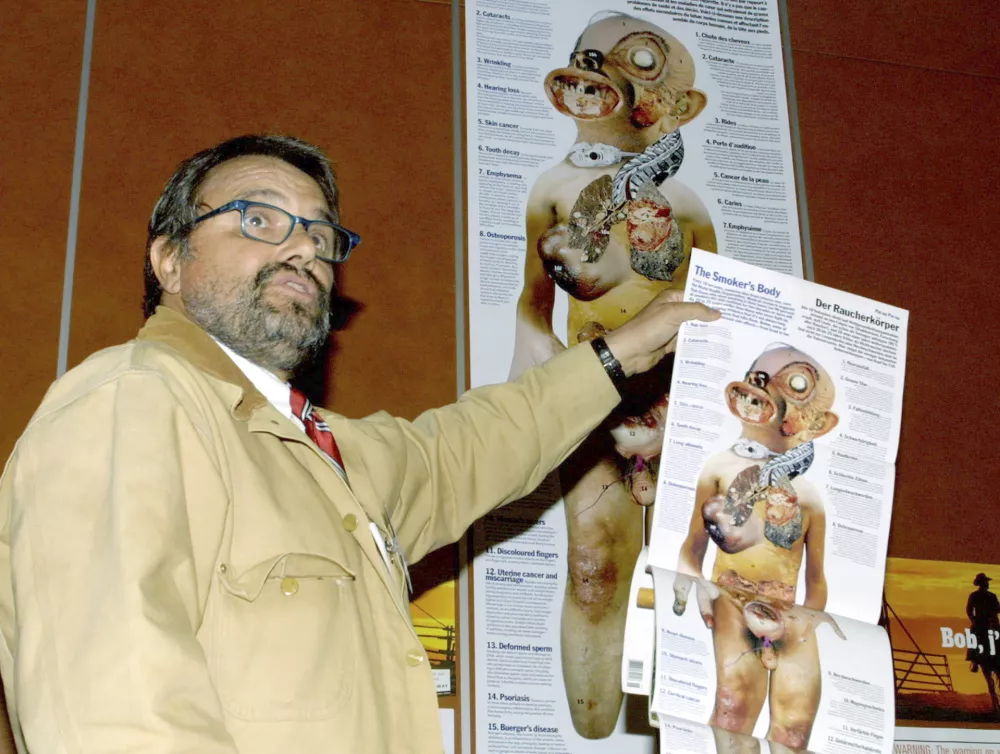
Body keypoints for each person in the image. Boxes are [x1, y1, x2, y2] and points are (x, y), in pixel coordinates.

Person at [0, 134, 719, 754]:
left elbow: (471, 446)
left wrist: (619, 353)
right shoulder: (133, 400)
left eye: (320, 235)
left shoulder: (321, 453)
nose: (303, 248)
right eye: (259, 219)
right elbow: (112, 708)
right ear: (169, 262)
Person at [507, 11, 717, 738]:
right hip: (593, 391)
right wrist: (530, 403)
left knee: (697, 576)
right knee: (594, 564)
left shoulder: (686, 206)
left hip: (679, 398)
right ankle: (592, 733)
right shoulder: (554, 188)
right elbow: (535, 303)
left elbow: (710, 310)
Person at [673, 344, 837, 749]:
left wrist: (806, 621)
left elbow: (816, 580)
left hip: (790, 612)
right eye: (758, 385)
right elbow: (691, 549)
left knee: (794, 732)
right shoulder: (719, 468)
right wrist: (694, 585)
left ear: (814, 423)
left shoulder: (811, 496)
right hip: (732, 595)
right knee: (733, 708)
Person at [966, 572, 1000, 713]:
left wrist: (978, 617)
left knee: (974, 633)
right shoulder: (978, 596)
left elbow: (998, 608)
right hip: (984, 623)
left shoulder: (987, 596)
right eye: (985, 581)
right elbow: (969, 611)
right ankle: (974, 658)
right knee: (974, 633)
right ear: (982, 583)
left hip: (987, 622)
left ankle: (974, 659)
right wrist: (977, 619)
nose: (987, 583)